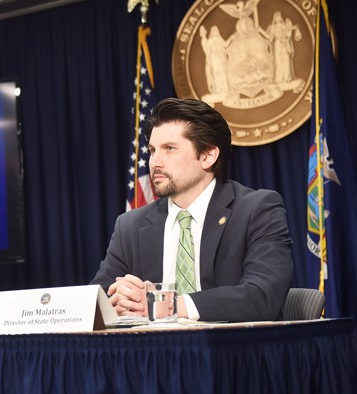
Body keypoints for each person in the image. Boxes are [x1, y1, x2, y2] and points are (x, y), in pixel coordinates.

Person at [90, 98, 293, 322]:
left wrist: (166, 305)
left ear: (207, 156)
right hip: (153, 354)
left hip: (233, 353)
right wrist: (117, 300)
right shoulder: (130, 226)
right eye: (152, 150)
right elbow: (94, 302)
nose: (155, 162)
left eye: (169, 149)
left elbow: (262, 296)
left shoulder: (256, 210)